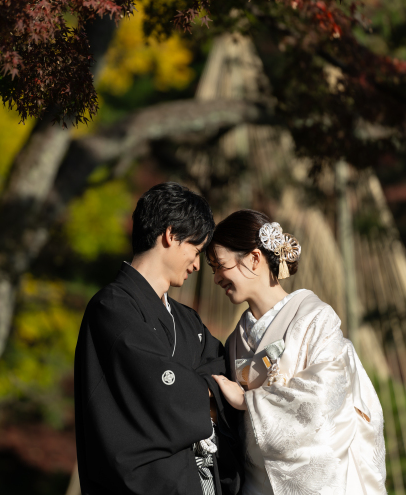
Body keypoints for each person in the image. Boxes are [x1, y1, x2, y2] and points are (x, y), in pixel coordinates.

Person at [74, 183, 239, 495]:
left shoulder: (188, 321)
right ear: (171, 235)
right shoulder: (111, 309)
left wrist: (207, 391)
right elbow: (158, 392)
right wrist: (213, 392)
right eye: (196, 250)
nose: (196, 264)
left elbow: (221, 368)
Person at [207, 209, 387, 495]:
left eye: (220, 265)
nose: (216, 278)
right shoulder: (234, 342)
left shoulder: (316, 319)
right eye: (212, 268)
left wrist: (248, 400)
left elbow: (324, 399)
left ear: (254, 258)